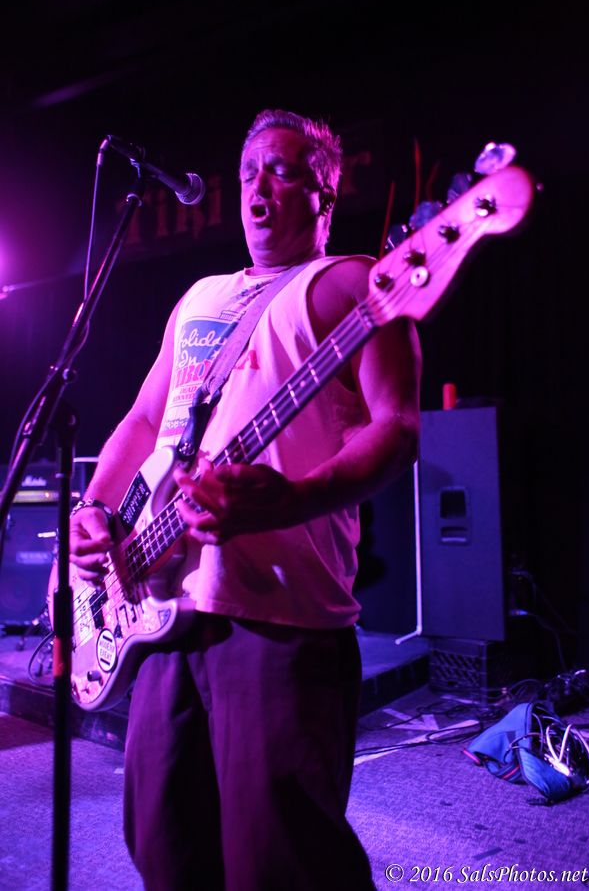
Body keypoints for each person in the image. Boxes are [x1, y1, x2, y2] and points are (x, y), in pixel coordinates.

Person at [69, 109, 422, 891]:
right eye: (250, 169)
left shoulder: (353, 284)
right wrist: (95, 507)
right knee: (163, 844)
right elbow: (142, 421)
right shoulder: (199, 296)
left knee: (281, 860)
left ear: (325, 193)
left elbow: (397, 428)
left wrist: (288, 500)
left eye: (284, 169)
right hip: (162, 606)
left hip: (280, 617)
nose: (260, 184)